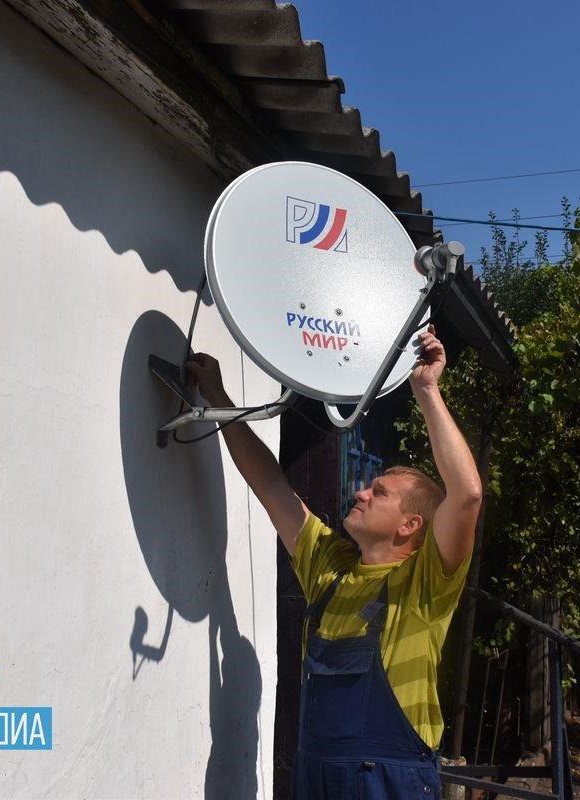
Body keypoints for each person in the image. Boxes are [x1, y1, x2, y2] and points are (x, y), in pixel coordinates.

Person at [186, 325, 482, 799]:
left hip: (390, 781)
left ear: (410, 527)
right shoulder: (328, 565)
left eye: (379, 492)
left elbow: (466, 496)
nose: (360, 490)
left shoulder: (426, 583)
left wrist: (427, 389)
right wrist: (218, 397)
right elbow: (271, 486)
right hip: (315, 777)